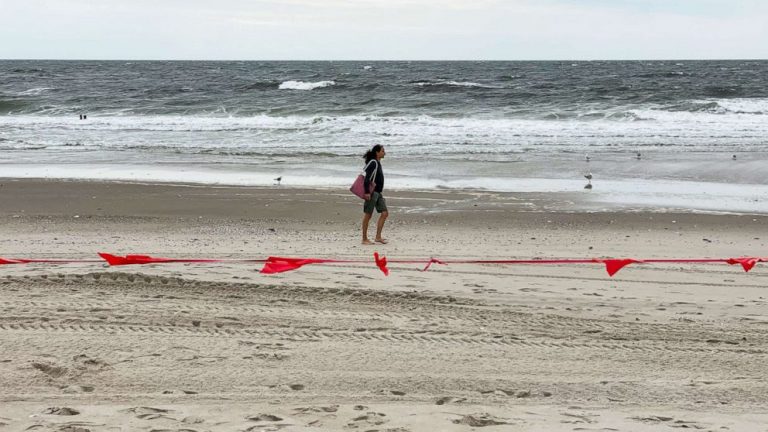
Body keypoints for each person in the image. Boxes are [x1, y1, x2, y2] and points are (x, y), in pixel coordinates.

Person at [361, 144, 388, 245]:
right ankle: (364, 239)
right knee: (368, 215)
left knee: (385, 213)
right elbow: (367, 178)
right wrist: (367, 192)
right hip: (372, 192)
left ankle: (378, 237)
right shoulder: (373, 163)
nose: (384, 152)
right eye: (382, 151)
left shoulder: (377, 163)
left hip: (378, 193)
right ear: (377, 152)